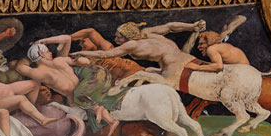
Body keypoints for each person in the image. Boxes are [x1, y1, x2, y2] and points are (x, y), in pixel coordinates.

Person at [17, 37, 120, 135]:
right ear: (41, 53)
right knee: (80, 102)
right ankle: (111, 121)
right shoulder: (60, 61)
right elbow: (67, 38)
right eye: (48, 51)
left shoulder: (40, 73)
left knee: (79, 99)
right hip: (87, 87)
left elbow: (20, 67)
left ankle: (99, 111)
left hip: (81, 92)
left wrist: (30, 57)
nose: (51, 52)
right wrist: (43, 41)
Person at [72, 19, 207, 91]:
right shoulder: (147, 32)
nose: (116, 40)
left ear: (128, 37)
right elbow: (170, 26)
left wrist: (80, 53)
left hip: (173, 69)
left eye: (119, 38)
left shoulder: (131, 45)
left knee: (153, 91)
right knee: (148, 71)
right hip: (186, 59)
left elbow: (103, 54)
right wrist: (191, 26)